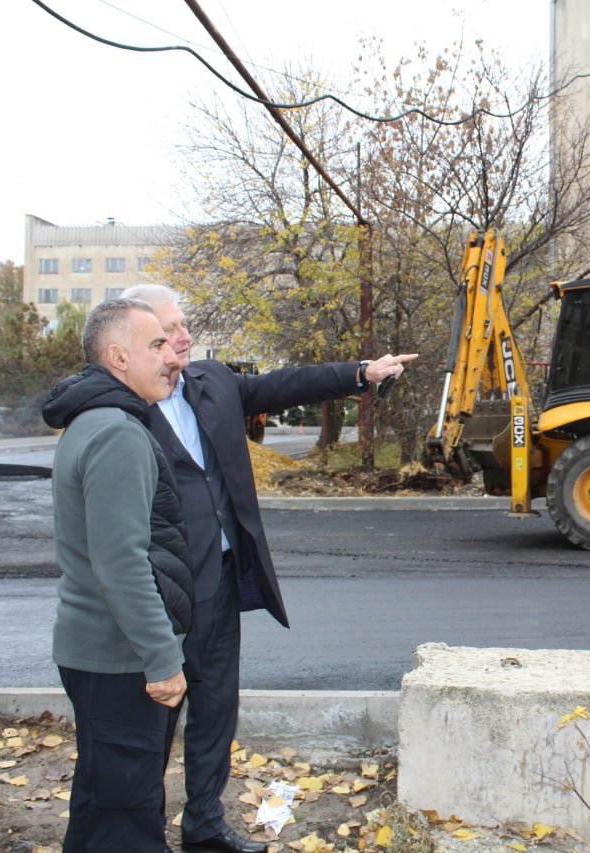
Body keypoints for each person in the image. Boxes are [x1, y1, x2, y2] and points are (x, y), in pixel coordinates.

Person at [121, 283, 417, 853]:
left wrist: (363, 373)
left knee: (215, 710)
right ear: (137, 342)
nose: (181, 337)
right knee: (151, 723)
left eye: (183, 325)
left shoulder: (212, 381)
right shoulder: (121, 405)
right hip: (161, 595)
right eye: (166, 330)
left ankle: (204, 825)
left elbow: (283, 385)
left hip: (222, 581)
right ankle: (138, 835)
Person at [41, 298, 196, 852]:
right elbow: (121, 561)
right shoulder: (118, 433)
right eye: (155, 345)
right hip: (122, 660)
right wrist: (162, 661)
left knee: (100, 801)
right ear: (117, 357)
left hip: (99, 655)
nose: (171, 356)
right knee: (128, 819)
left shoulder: (98, 421)